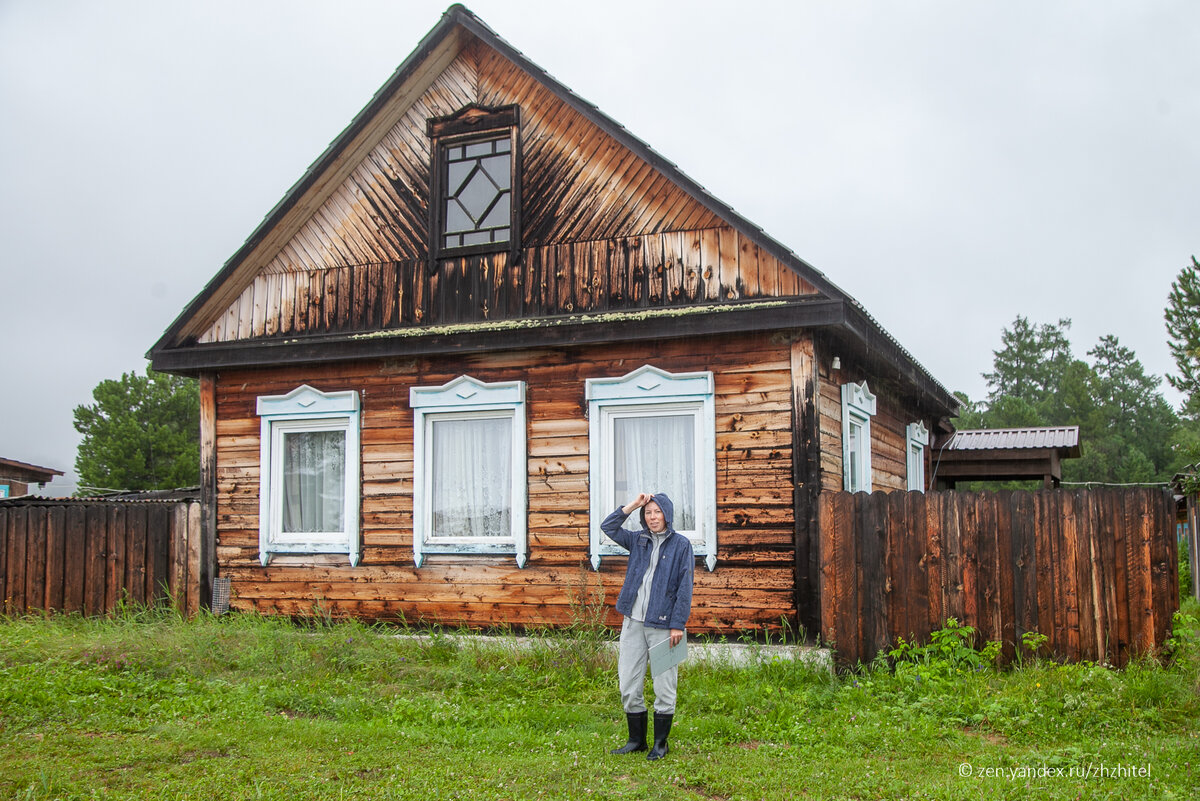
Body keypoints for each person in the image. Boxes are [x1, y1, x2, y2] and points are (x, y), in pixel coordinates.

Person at [602, 492, 694, 761]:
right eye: (648, 513)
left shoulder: (682, 545)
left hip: (665, 626)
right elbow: (608, 526)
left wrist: (678, 624)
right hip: (632, 622)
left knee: (665, 684)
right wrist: (633, 505)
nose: (652, 517)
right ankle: (636, 741)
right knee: (628, 682)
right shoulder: (638, 540)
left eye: (657, 512)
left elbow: (685, 587)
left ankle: (660, 745)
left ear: (667, 514)